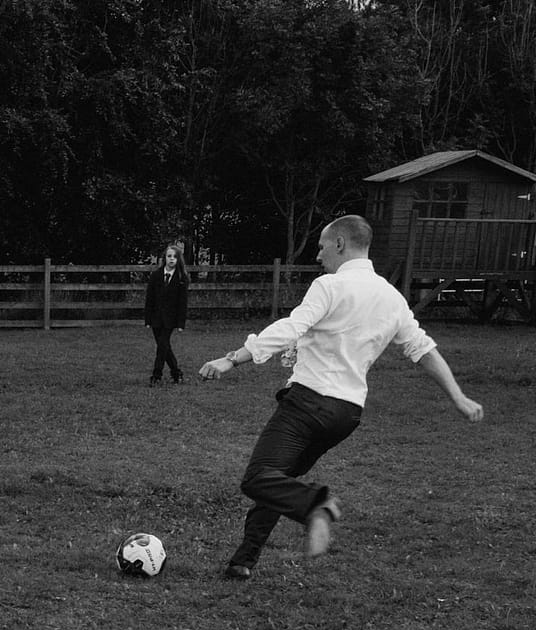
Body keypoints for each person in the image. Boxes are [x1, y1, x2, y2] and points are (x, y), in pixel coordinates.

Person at [199, 214, 484, 580]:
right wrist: (458, 397)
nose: (318, 256)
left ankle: (318, 504)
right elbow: (423, 350)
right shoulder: (393, 299)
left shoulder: (329, 286)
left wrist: (231, 359)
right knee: (278, 482)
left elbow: (291, 326)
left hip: (306, 404)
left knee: (257, 478)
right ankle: (243, 560)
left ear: (339, 245)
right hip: (345, 415)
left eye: (321, 247)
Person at [143, 241, 189, 384]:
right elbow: (149, 299)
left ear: (178, 259)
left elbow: (182, 303)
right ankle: (176, 373)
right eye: (169, 256)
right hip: (156, 318)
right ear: (165, 258)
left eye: (174, 257)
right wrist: (147, 320)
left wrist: (181, 322)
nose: (171, 259)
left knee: (162, 345)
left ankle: (156, 375)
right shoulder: (156, 275)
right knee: (164, 347)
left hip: (170, 319)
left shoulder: (182, 278)